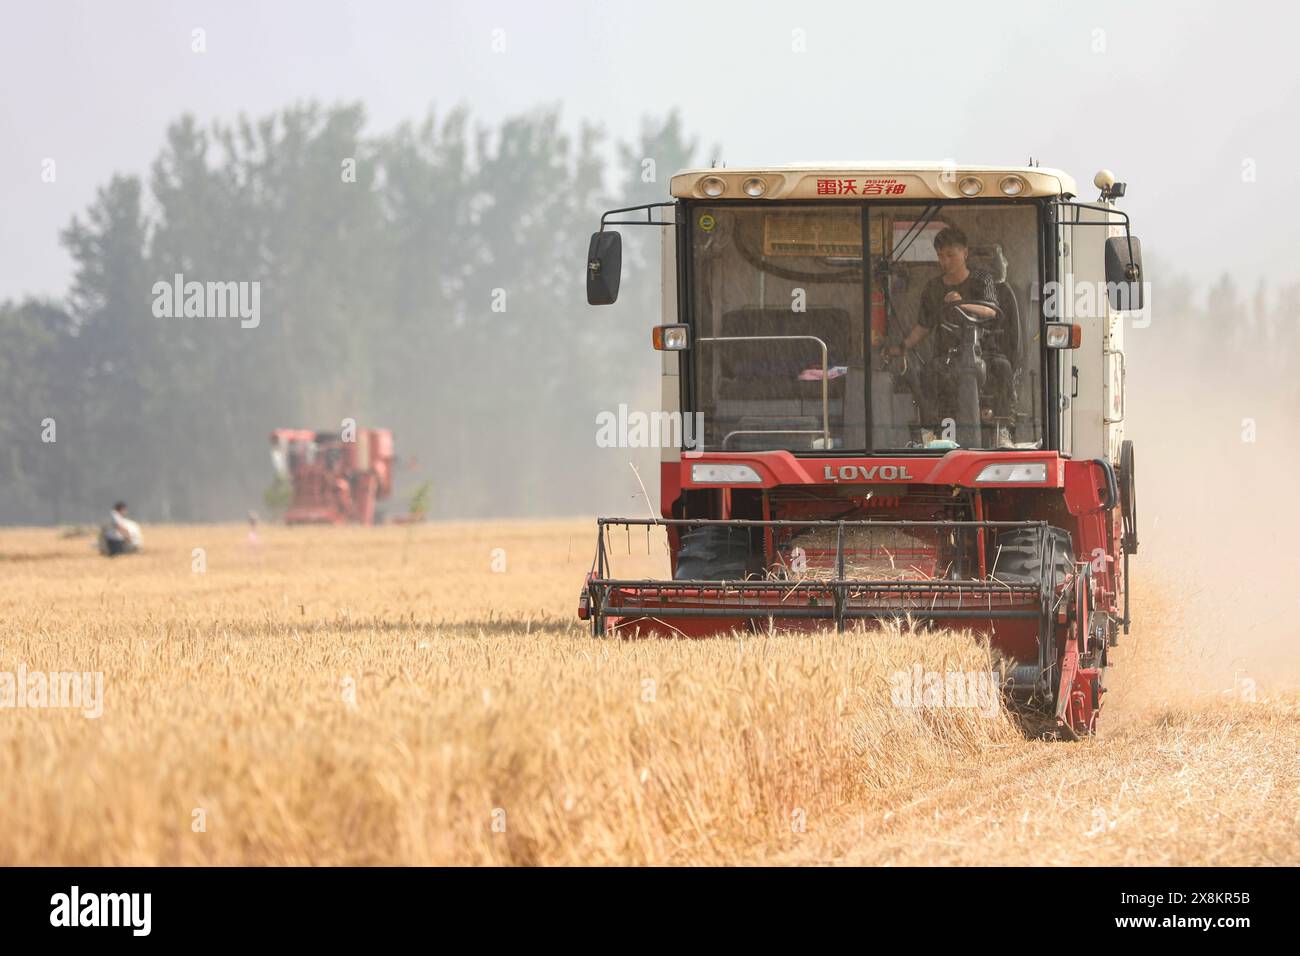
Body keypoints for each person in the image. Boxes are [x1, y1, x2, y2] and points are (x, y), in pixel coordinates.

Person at [888, 227, 1012, 422]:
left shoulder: (983, 279)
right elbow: (923, 326)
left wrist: (960, 304)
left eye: (950, 255)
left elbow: (991, 310)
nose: (944, 262)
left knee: (1002, 368)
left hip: (985, 353)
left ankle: (1003, 427)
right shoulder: (933, 288)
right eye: (940, 256)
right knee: (929, 373)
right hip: (947, 356)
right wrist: (902, 347)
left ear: (965, 253)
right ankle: (932, 428)